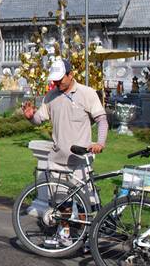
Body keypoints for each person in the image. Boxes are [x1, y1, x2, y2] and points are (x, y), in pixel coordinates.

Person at [22, 58, 108, 244]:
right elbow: (39, 119)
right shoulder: (51, 96)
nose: (57, 83)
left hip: (80, 159)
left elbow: (101, 119)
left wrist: (100, 142)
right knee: (61, 201)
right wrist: (30, 117)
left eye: (60, 79)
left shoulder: (87, 93)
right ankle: (65, 233)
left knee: (85, 202)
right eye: (54, 80)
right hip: (57, 158)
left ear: (71, 75)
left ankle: (86, 237)